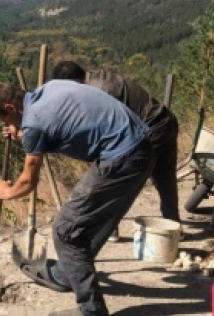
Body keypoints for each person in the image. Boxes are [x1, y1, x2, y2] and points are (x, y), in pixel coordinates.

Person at [0, 81, 154, 316]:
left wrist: (6, 192)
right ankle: (66, 275)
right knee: (93, 221)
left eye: (6, 119)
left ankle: (93, 312)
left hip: (121, 157)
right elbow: (57, 124)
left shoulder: (32, 123)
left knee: (65, 230)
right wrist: (20, 131)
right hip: (143, 144)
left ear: (11, 107)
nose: (7, 126)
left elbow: (27, 182)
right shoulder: (51, 88)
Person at [51, 60, 181, 228]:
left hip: (151, 129)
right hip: (164, 121)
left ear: (74, 82)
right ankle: (173, 226)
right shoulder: (97, 80)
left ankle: (109, 229)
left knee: (116, 179)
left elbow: (107, 132)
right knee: (165, 179)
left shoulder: (98, 92)